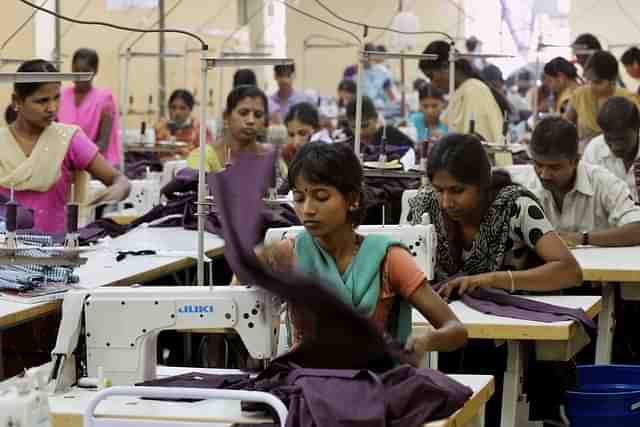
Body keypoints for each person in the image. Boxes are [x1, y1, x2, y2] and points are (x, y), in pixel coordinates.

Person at [258, 141, 468, 363]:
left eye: (321, 197)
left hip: (373, 382)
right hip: (307, 379)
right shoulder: (289, 254)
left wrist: (427, 340)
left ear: (353, 199)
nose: (307, 209)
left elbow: (456, 330)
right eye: (299, 198)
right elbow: (241, 290)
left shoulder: (389, 260)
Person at [407, 133, 581, 295]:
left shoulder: (515, 207)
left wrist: (492, 280)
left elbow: (570, 271)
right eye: (438, 190)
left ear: (483, 183)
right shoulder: (425, 205)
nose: (446, 203)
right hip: (445, 318)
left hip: (514, 321)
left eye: (457, 191)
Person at [0, 59, 130, 233]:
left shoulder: (69, 139)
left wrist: (118, 189)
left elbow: (118, 179)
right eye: (42, 101)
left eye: (56, 98)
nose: (52, 108)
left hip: (57, 251)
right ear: (17, 101)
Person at [514, 116, 640, 247]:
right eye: (538, 165)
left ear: (575, 161)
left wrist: (582, 238)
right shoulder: (521, 184)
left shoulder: (603, 182)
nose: (544, 175)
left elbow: (637, 229)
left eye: (554, 167)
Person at [419, 40, 507, 142]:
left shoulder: (473, 91)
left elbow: (476, 144)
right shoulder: (464, 91)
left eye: (431, 76)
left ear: (445, 66)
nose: (433, 83)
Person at [187, 85, 286, 176]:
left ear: (265, 121)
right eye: (243, 113)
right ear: (226, 117)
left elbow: (287, 189)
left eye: (258, 115)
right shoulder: (202, 157)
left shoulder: (271, 157)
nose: (251, 121)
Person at [57, 48, 122, 168]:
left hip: (97, 166)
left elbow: (103, 143)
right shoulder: (61, 96)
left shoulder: (104, 99)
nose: (80, 76)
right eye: (76, 71)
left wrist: (76, 159)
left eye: (85, 71)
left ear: (95, 71)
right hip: (65, 165)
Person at [565, 50, 640, 144]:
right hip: (584, 156)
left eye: (598, 82)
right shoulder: (580, 95)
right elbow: (565, 128)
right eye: (589, 80)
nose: (591, 86)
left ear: (613, 79)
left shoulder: (629, 100)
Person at [583, 96, 640, 201]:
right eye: (609, 139)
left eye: (621, 139)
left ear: (637, 128)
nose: (615, 147)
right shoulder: (594, 150)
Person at [344, 96, 414, 162]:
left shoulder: (392, 136)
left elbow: (412, 154)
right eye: (354, 127)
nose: (360, 132)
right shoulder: (348, 145)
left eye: (364, 125)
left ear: (376, 118)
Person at [155, 89, 213, 160]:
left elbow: (207, 155)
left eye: (182, 108)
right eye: (173, 107)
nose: (177, 112)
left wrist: (181, 156)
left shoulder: (200, 130)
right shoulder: (160, 128)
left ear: (190, 109)